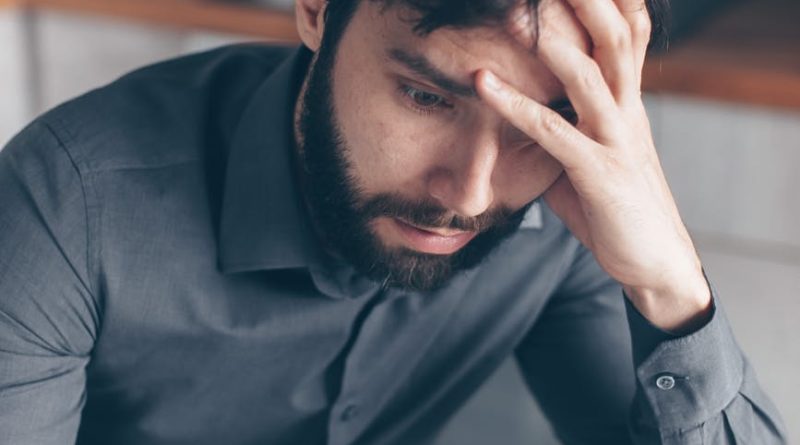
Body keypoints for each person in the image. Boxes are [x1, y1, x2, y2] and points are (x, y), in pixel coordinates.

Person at [0, 0, 787, 443]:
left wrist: (670, 287)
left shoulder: (562, 216)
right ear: (316, 9)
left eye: (541, 125)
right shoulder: (69, 208)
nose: (472, 195)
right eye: (426, 97)